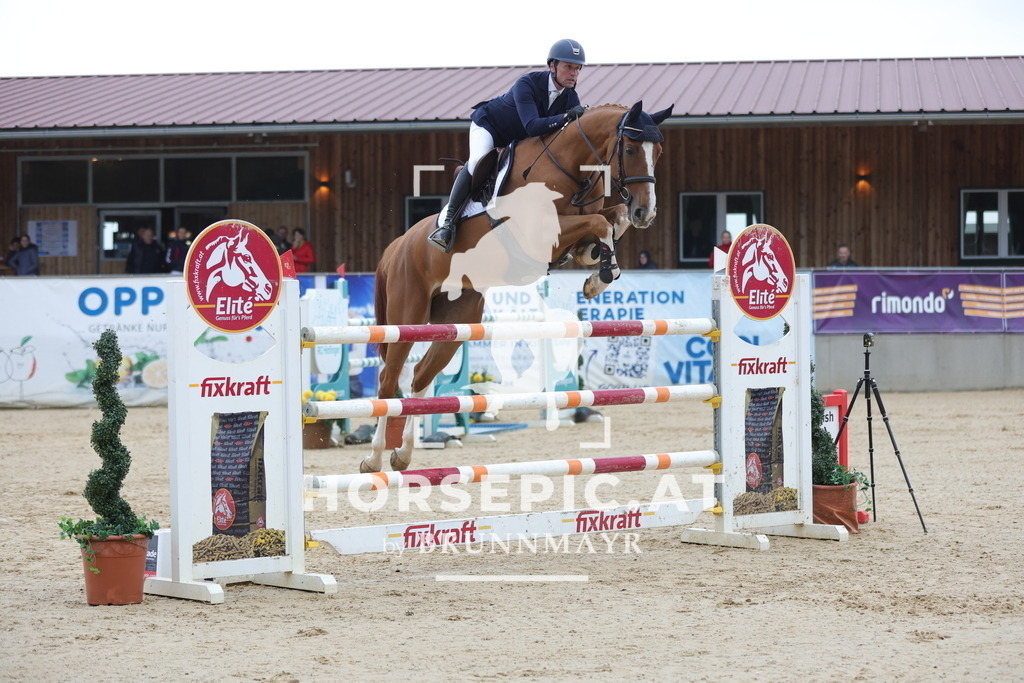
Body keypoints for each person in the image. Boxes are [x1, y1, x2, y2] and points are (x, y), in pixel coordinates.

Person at [428, 39, 587, 253]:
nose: (574, 73)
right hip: (490, 127)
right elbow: (531, 126)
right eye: (568, 67)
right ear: (552, 66)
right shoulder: (527, 84)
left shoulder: (571, 97)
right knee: (477, 162)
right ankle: (447, 224)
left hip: (518, 141)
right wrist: (566, 116)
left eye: (577, 68)